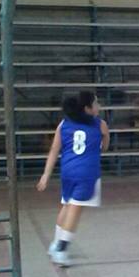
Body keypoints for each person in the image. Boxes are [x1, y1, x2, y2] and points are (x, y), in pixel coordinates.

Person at [37, 91, 110, 266]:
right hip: (87, 172)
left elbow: (54, 150)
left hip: (67, 171)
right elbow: (104, 147)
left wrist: (46, 174)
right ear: (87, 108)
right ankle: (62, 248)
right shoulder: (100, 124)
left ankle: (55, 243)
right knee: (75, 210)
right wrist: (104, 137)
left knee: (67, 206)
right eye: (96, 103)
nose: (99, 106)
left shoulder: (63, 124)